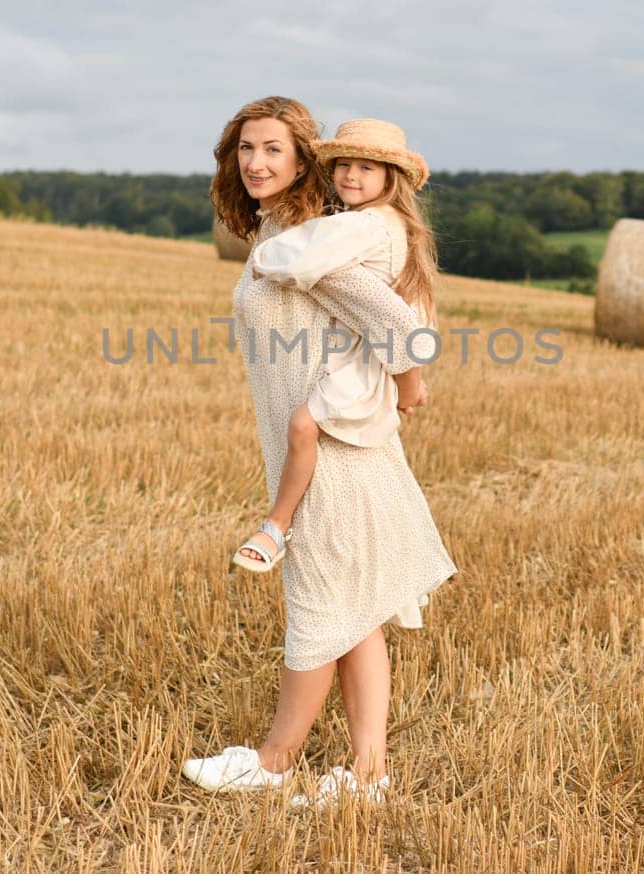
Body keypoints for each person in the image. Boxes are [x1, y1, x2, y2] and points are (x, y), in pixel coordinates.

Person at [182, 97, 457, 807]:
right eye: (245, 148)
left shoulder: (315, 242)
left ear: (305, 161)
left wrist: (409, 385)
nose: (255, 162)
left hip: (333, 454)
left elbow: (397, 321)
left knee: (317, 606)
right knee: (356, 612)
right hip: (324, 445)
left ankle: (272, 763)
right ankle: (369, 776)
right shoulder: (286, 231)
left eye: (273, 149)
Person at [231, 118, 438, 575]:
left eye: (366, 167)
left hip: (361, 364)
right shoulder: (382, 223)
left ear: (391, 178)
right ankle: (277, 524)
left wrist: (267, 260)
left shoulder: (366, 225)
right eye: (343, 164)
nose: (350, 175)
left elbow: (308, 253)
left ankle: (277, 524)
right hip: (365, 357)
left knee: (303, 427)